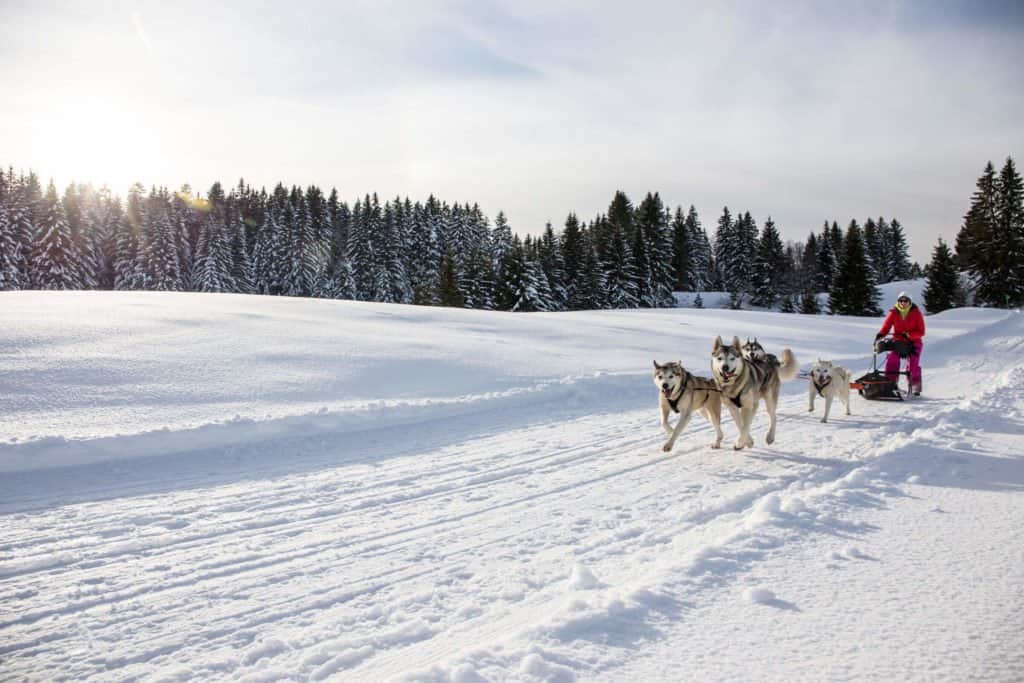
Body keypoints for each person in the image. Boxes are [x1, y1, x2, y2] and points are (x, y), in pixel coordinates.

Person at [875, 291, 925, 395]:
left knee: (912, 365)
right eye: (901, 300)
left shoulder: (916, 313)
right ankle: (890, 383)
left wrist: (909, 335)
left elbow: (921, 331)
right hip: (898, 341)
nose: (903, 303)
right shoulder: (894, 312)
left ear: (909, 302)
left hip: (914, 342)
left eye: (905, 300)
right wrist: (881, 334)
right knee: (892, 359)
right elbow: (886, 326)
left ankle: (915, 385)